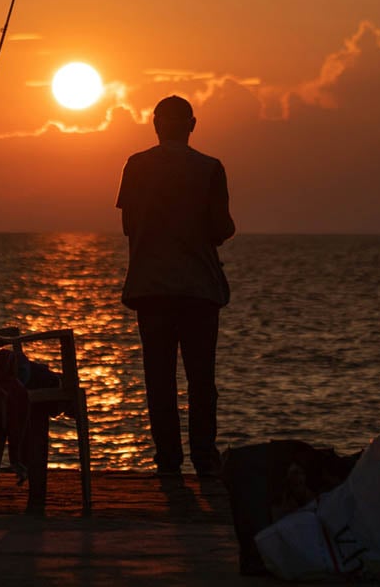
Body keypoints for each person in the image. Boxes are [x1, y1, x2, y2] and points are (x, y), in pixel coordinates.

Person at [116, 94, 235, 477]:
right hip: (198, 289)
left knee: (159, 380)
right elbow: (221, 228)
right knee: (202, 380)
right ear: (192, 125)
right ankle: (204, 459)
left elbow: (127, 225)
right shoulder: (211, 168)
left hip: (151, 289)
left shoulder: (134, 166)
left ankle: (167, 462)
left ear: (155, 124)